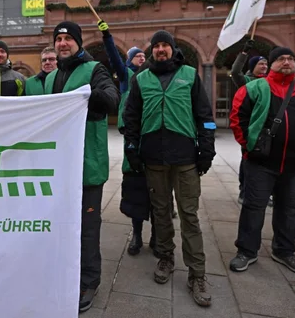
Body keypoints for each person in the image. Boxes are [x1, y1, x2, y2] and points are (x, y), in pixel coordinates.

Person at [122, 30, 216, 307]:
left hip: (185, 158)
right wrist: (132, 148)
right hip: (153, 158)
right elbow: (131, 117)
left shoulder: (189, 75)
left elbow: (206, 117)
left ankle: (197, 274)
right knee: (160, 212)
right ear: (151, 50)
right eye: (156, 46)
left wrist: (207, 149)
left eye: (165, 45)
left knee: (189, 215)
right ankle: (165, 257)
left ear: (173, 49)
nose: (160, 49)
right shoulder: (141, 78)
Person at [229, 47, 295, 276]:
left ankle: (285, 251)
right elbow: (238, 118)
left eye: (290, 58)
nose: (286, 62)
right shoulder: (254, 87)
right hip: (261, 163)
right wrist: (249, 146)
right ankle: (247, 251)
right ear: (271, 63)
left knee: (291, 210)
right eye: (280, 59)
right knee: (253, 207)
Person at [43, 21, 120, 313]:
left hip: (87, 167)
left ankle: (89, 280)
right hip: (59, 167)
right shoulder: (50, 79)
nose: (62, 43)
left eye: (68, 39)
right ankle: (65, 272)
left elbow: (112, 100)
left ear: (78, 42)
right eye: (58, 39)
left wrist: (87, 95)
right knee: (62, 225)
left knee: (87, 228)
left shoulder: (94, 70)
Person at [97, 20, 155, 256]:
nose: (141, 58)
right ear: (129, 61)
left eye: (143, 55)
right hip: (131, 138)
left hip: (152, 137)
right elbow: (113, 57)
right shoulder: (125, 76)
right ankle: (137, 235)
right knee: (135, 190)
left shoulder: (152, 77)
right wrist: (107, 36)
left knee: (157, 191)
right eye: (136, 56)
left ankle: (158, 236)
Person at [231, 40, 269, 205]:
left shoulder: (270, 82)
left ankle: (264, 193)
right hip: (252, 128)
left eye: (266, 64)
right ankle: (244, 190)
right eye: (260, 64)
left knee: (267, 163)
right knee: (248, 160)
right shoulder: (246, 81)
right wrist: (244, 54)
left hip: (268, 127)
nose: (264, 66)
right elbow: (235, 71)